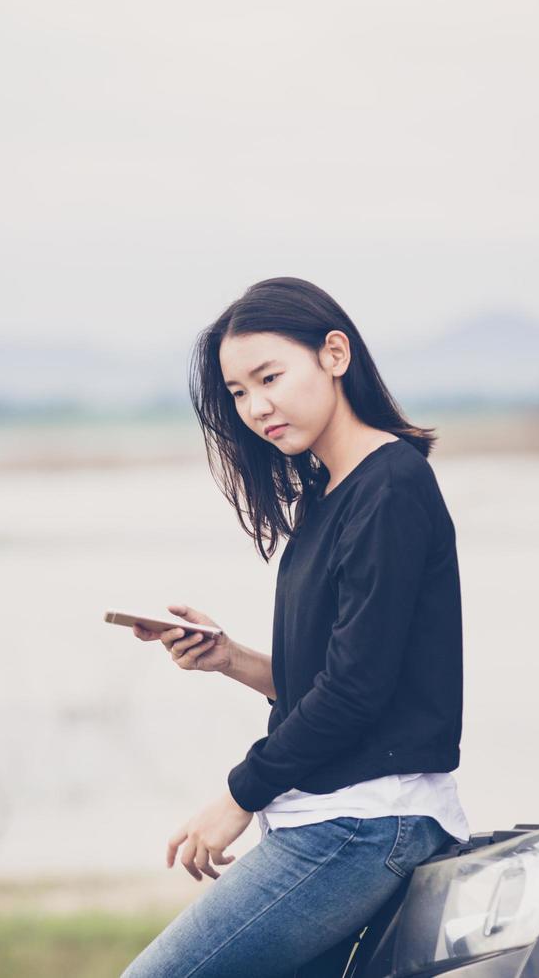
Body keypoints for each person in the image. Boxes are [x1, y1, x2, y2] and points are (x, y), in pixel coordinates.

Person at [122, 277, 468, 978]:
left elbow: (355, 694)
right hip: (333, 818)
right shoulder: (325, 501)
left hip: (366, 821)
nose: (256, 407)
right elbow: (335, 680)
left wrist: (237, 796)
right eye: (239, 392)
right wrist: (229, 658)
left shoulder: (392, 486)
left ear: (334, 354)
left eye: (269, 377)